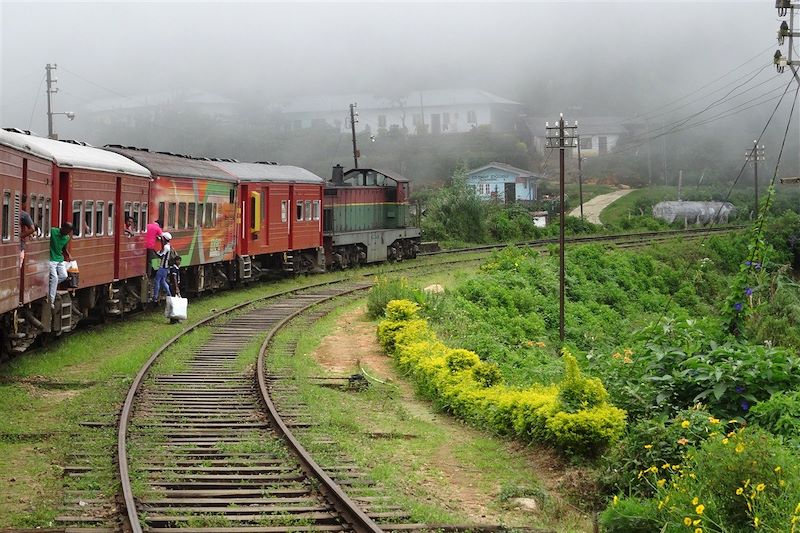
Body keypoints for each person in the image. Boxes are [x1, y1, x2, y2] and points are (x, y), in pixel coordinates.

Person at [48, 222, 73, 309]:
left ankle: (51, 285)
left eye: (69, 232)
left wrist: (68, 254)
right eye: (67, 230)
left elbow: (64, 247)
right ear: (63, 228)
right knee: (54, 278)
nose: (68, 233)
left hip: (59, 258)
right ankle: (51, 300)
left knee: (64, 275)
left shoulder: (67, 238)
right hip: (51, 258)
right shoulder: (53, 231)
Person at [152, 232, 173, 304]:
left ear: (164, 239)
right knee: (163, 282)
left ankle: (155, 297)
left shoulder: (166, 247)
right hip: (166, 268)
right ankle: (170, 295)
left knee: (157, 281)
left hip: (162, 267)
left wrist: (155, 252)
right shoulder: (168, 246)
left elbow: (161, 255)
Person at [19, 194, 35, 267]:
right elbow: (32, 229)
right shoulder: (24, 214)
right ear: (24, 203)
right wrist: (20, 236)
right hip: (20, 245)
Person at [168, 255, 182, 324]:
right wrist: (176, 288)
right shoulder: (173, 269)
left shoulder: (176, 268)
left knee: (176, 303)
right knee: (173, 303)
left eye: (179, 260)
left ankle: (176, 318)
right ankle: (173, 319)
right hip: (173, 287)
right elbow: (174, 278)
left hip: (175, 287)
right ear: (175, 261)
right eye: (178, 260)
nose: (179, 262)